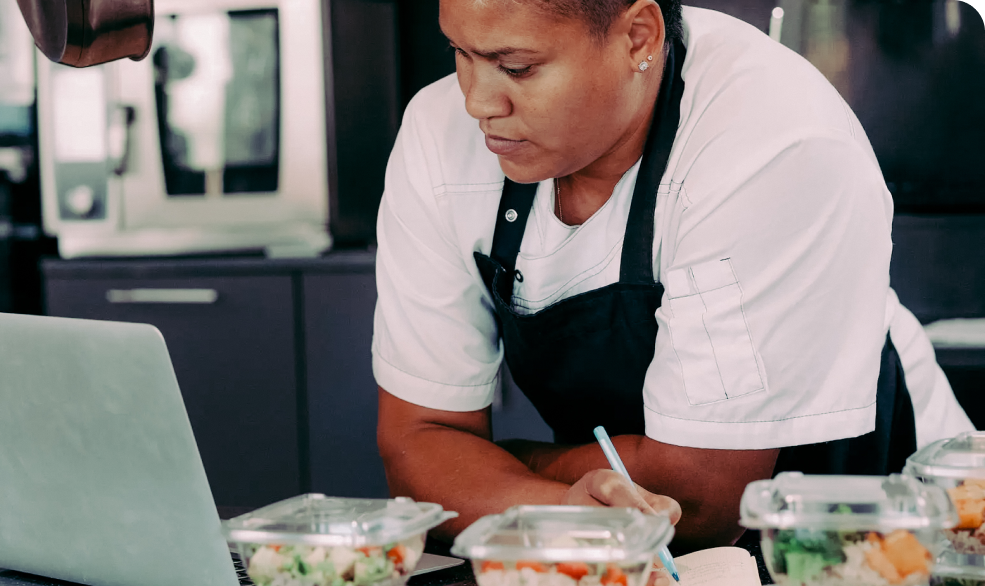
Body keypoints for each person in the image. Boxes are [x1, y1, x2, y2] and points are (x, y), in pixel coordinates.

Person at [371, 0, 974, 554]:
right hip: (641, 560)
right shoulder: (440, 134)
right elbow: (416, 448)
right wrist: (563, 508)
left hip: (888, 538)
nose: (477, 101)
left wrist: (509, 465)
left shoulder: (768, 139)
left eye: (518, 67)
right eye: (460, 52)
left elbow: (702, 497)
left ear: (638, 36)